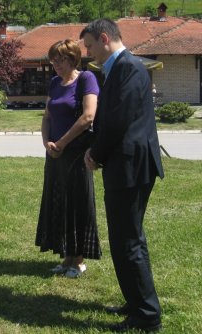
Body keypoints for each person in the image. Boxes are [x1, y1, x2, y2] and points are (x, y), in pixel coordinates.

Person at [80, 19, 164, 332]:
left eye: (89, 45)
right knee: (124, 239)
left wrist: (95, 154)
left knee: (128, 241)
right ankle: (136, 302)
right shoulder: (122, 68)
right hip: (125, 165)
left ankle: (147, 315)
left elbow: (118, 119)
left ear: (104, 38)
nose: (88, 52)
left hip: (130, 167)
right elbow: (111, 117)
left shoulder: (129, 67)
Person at [35, 39, 101, 279]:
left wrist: (61, 143)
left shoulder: (86, 79)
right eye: (53, 60)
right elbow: (47, 117)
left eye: (61, 59)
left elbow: (88, 117)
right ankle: (66, 258)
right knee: (60, 202)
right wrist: (47, 143)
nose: (56, 64)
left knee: (78, 204)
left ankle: (79, 260)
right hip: (54, 153)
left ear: (73, 59)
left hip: (76, 154)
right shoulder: (54, 83)